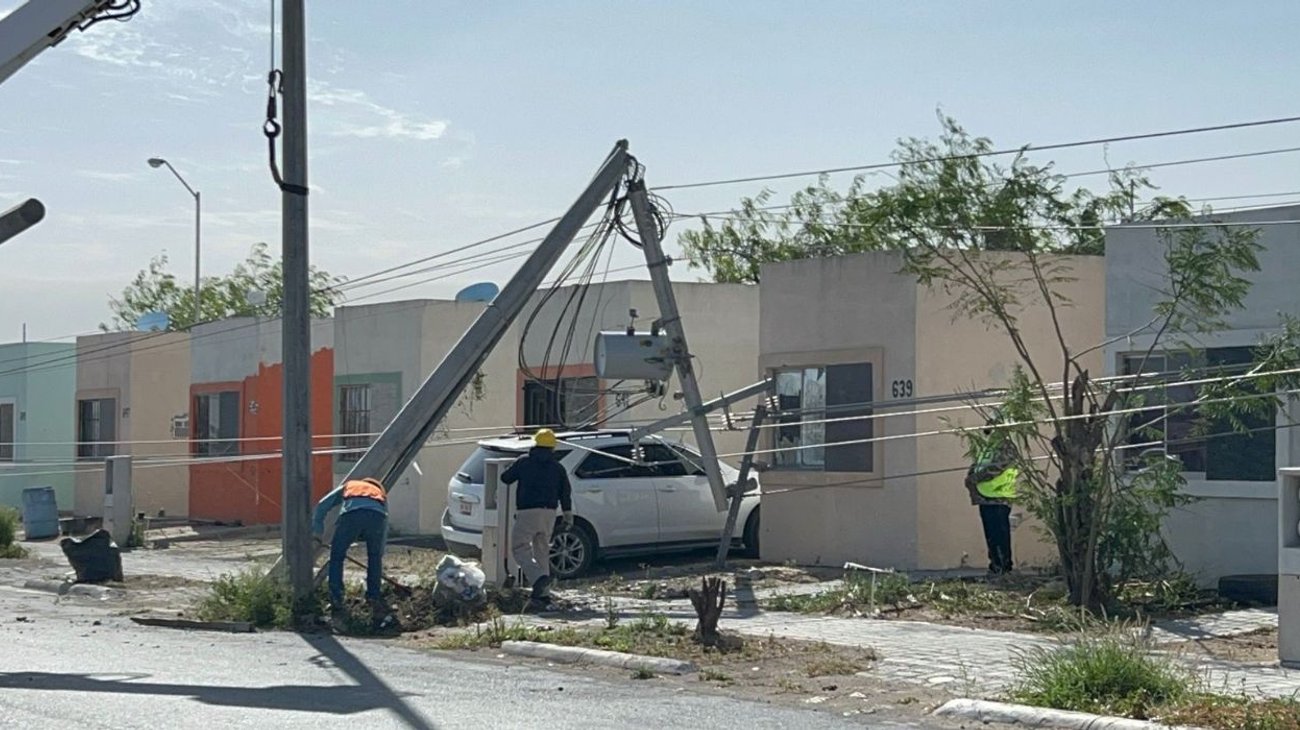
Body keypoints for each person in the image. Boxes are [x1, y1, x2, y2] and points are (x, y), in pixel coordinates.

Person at [502, 428, 573, 603]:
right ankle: (543, 594)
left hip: (527, 512)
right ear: (552, 448)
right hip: (549, 513)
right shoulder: (558, 467)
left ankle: (538, 578)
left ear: (535, 444)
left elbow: (505, 478)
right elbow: (565, 492)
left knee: (519, 547)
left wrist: (513, 466)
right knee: (542, 549)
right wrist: (567, 514)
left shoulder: (524, 462)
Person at [312, 477, 389, 617]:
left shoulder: (350, 485)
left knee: (337, 557)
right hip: (377, 517)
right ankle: (373, 596)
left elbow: (322, 505)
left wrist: (317, 531)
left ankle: (337, 598)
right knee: (374, 558)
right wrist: (379, 552)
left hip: (351, 516)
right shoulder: (380, 494)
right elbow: (385, 524)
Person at [964, 418, 1018, 576]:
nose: (987, 429)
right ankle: (995, 566)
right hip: (985, 497)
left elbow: (996, 468)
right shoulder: (988, 447)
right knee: (991, 535)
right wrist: (970, 478)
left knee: (999, 533)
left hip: (1000, 496)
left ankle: (1003, 567)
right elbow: (978, 464)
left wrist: (975, 478)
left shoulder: (1006, 445)